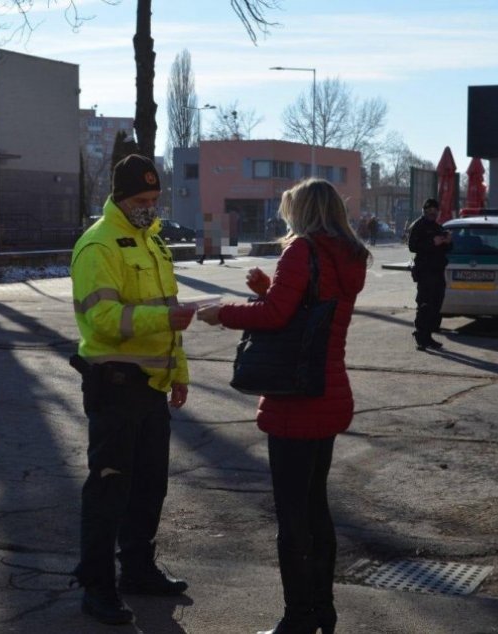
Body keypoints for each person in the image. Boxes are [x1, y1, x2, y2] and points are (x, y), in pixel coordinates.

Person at [197, 178, 370, 634]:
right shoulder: (346, 256)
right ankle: (322, 611)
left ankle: (297, 618)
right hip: (329, 391)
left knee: (292, 515)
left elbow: (276, 317)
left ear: (305, 212)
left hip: (295, 398)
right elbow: (306, 306)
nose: (286, 219)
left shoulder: (302, 251)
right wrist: (267, 286)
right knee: (316, 507)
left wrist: (226, 313)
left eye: (290, 210)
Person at [69, 154, 195, 626]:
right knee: (109, 489)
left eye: (154, 199)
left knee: (149, 486)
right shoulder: (98, 245)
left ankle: (138, 569)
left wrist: (179, 371)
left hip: (152, 387)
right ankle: (97, 586)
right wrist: (163, 320)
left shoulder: (152, 243)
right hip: (116, 385)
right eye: (142, 200)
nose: (150, 207)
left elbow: (169, 310)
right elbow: (100, 320)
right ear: (121, 198)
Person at [407, 198, 452, 351]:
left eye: (435, 211)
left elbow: (447, 249)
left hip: (438, 271)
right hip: (425, 271)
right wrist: (432, 243)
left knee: (436, 305)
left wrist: (447, 241)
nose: (433, 214)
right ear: (425, 211)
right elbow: (412, 246)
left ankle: (428, 336)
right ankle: (421, 336)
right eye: (430, 211)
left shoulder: (438, 227)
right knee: (425, 304)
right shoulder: (419, 226)